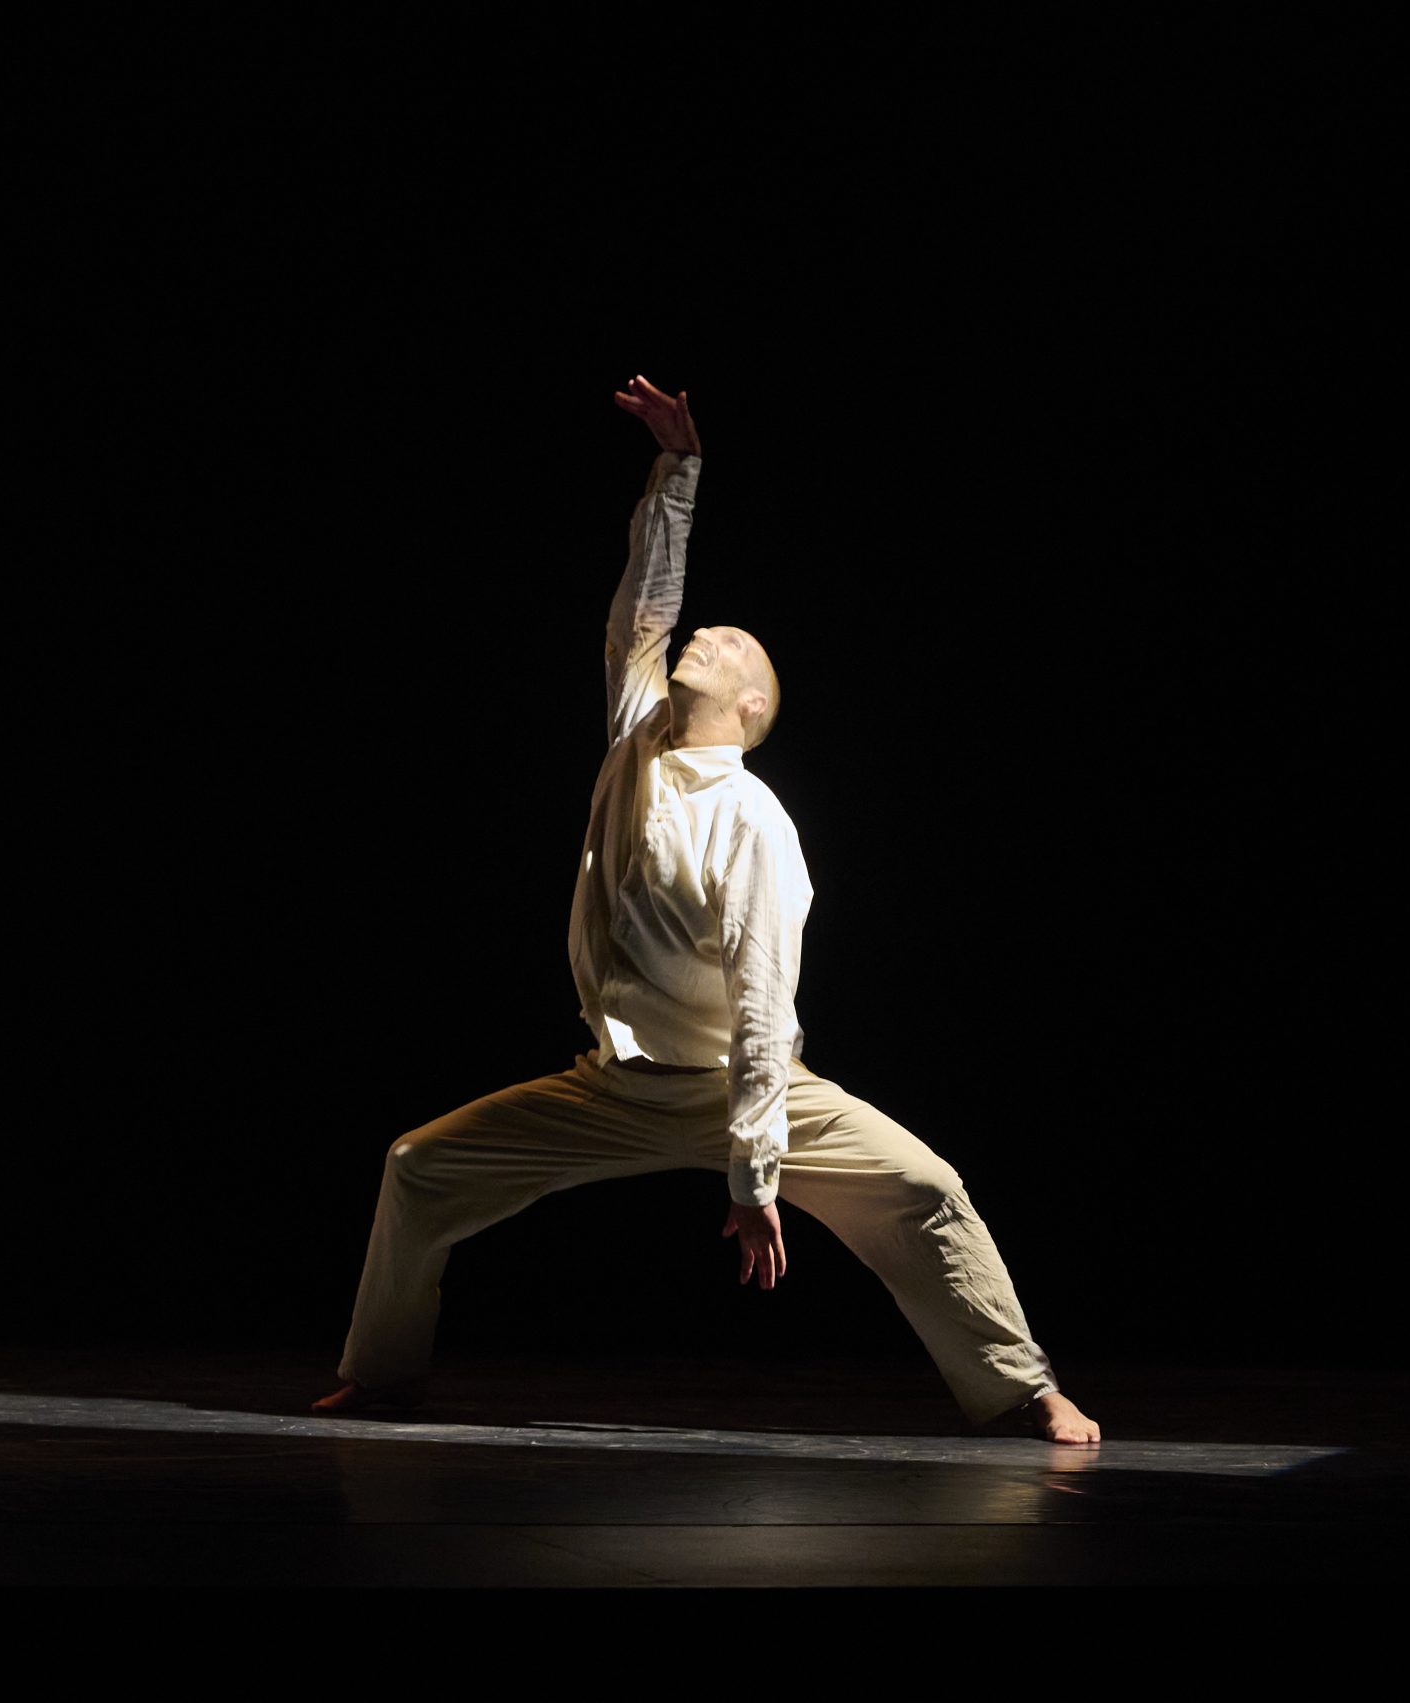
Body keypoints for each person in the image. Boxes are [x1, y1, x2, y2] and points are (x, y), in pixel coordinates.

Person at [315, 379, 1102, 1445]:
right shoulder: (635, 738)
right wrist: (678, 471)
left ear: (749, 711)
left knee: (923, 1185)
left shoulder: (754, 819)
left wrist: (751, 1177)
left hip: (743, 1081)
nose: (712, 632)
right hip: (611, 1086)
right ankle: (381, 1374)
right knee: (419, 1166)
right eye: (707, 633)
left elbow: (764, 1011)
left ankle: (1021, 1389)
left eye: (734, 647)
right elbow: (642, 604)